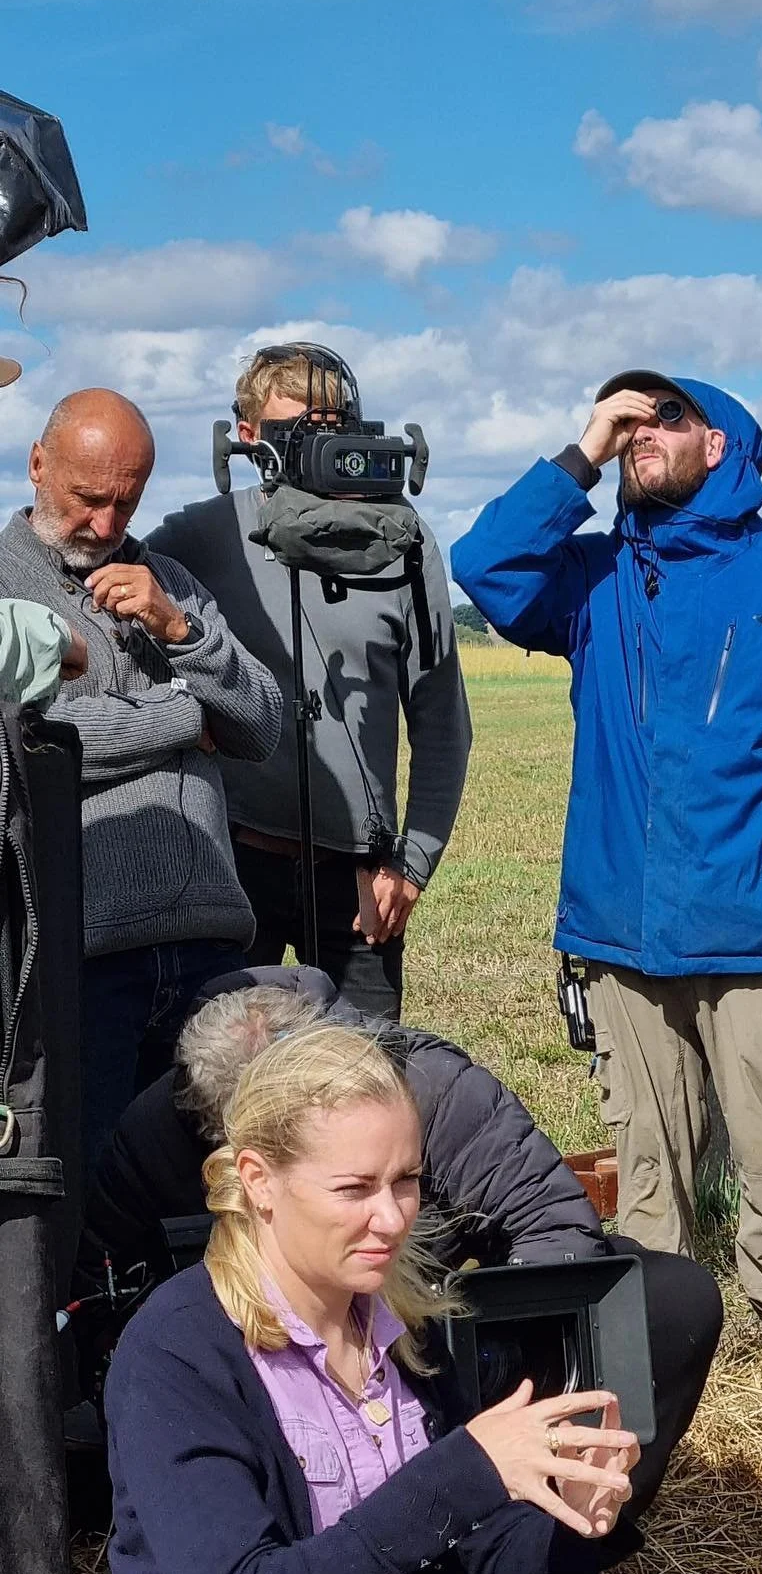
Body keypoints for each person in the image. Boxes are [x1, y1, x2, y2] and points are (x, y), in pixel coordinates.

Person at [451, 372, 762, 1335]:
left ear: (722, 446)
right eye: (630, 419)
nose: (643, 431)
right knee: (649, 1172)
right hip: (623, 936)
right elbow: (485, 564)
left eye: (669, 417)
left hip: (761, 932)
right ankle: (661, 1353)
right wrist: (584, 449)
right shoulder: (594, 578)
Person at [99, 1023, 725, 1574]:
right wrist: (466, 1470)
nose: (393, 1218)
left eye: (407, 1180)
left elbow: (501, 1571)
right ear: (259, 1181)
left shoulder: (402, 1326)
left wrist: (577, 1519)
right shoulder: (179, 1351)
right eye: (354, 1189)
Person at [80, 964, 723, 1514]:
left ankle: (549, 1525)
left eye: (403, 1180)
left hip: (423, 1340)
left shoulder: (429, 1087)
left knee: (667, 1297)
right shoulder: (158, 1128)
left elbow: (557, 1226)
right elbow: (98, 1295)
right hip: (248, 1376)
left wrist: (465, 1359)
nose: (388, 1212)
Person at [0, 388, 283, 1170]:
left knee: (219, 1189)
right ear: (36, 465)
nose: (106, 524)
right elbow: (32, 742)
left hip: (207, 949)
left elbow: (261, 725)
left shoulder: (171, 581)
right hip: (86, 957)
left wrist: (183, 633)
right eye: (89, 499)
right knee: (90, 1195)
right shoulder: (2, 587)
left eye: (126, 503)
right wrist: (183, 719)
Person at [148, 343, 472, 1020]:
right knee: (219, 1082)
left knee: (363, 1083)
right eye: (294, 432)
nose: (313, 448)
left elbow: (441, 721)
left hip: (359, 877)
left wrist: (411, 865)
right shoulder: (204, 535)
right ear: (246, 436)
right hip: (231, 863)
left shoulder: (404, 539)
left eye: (329, 429)